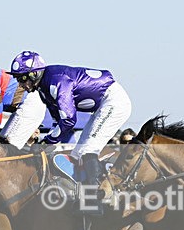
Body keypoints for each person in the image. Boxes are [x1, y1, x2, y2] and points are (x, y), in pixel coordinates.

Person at [8, 51, 132, 201]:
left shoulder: (56, 81)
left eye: (22, 79)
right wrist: (46, 143)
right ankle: (83, 190)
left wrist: (46, 142)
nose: (20, 84)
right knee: (77, 155)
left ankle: (97, 201)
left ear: (34, 75)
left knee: (88, 150)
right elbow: (58, 120)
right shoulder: (43, 89)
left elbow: (68, 121)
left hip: (114, 102)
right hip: (103, 105)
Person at [118, 128, 152, 230]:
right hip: (119, 207)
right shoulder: (117, 160)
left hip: (137, 207)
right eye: (124, 142)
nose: (126, 144)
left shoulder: (139, 162)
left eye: (129, 142)